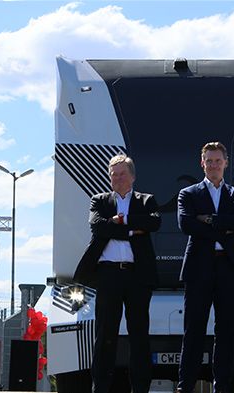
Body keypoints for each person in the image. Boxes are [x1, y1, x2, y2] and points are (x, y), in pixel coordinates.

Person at [73, 154, 162, 393]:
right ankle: (100, 388)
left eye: (122, 173)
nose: (117, 178)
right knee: (105, 335)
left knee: (139, 335)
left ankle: (141, 388)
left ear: (132, 176)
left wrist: (119, 223)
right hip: (108, 275)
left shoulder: (146, 200)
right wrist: (133, 230)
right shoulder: (99, 200)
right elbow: (97, 226)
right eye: (113, 174)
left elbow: (154, 223)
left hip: (137, 276)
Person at [176, 142, 234, 393]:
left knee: (226, 331)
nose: (213, 165)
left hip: (228, 269)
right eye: (209, 160)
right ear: (202, 163)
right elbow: (187, 224)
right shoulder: (188, 194)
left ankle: (222, 387)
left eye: (218, 160)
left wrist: (210, 220)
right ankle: (185, 385)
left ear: (226, 163)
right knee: (193, 330)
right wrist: (226, 227)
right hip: (199, 269)